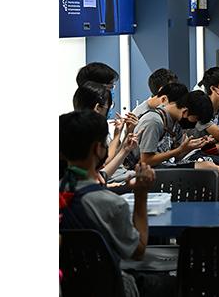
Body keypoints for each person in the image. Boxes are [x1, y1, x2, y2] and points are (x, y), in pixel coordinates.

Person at [60, 110, 174, 297]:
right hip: (111, 288)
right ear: (98, 149)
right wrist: (141, 195)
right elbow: (138, 251)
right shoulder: (111, 203)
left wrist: (124, 151)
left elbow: (100, 176)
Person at [135, 84, 217, 169]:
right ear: (185, 112)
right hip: (143, 172)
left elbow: (175, 157)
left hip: (162, 167)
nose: (194, 124)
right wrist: (180, 150)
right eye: (196, 119)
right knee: (208, 167)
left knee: (211, 165)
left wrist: (189, 147)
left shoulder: (175, 124)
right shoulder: (154, 121)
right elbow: (145, 161)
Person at [73, 81, 139, 183]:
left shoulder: (78, 126)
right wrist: (118, 137)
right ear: (98, 108)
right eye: (109, 106)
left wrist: (124, 138)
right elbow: (106, 160)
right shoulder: (88, 131)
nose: (109, 110)